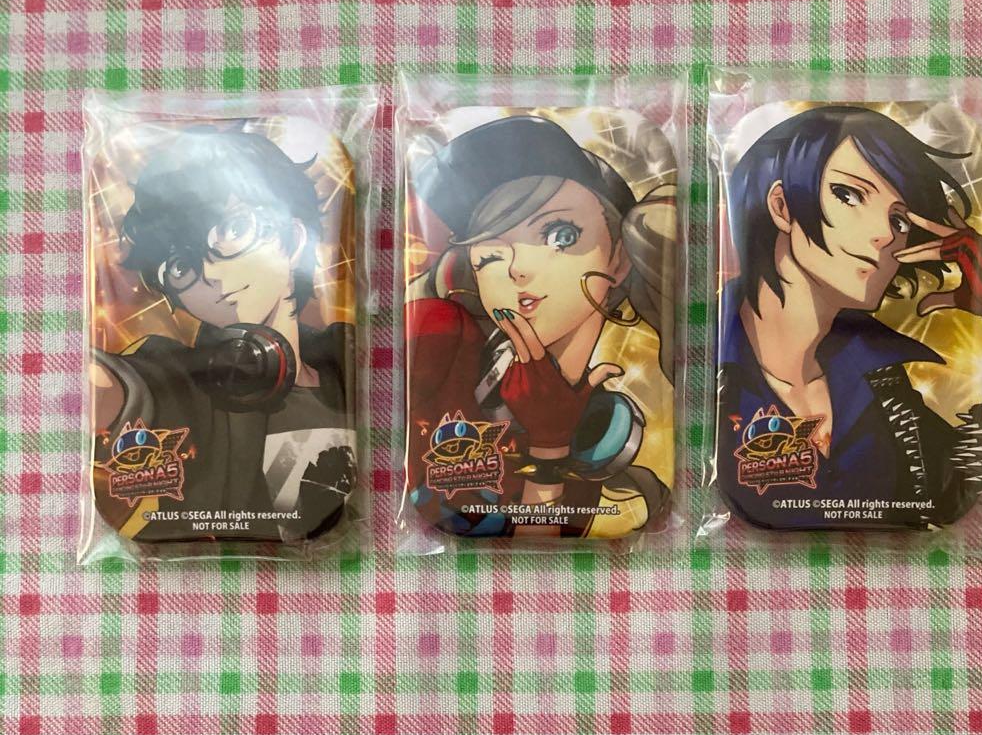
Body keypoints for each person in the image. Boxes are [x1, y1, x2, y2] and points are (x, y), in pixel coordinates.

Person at [717, 104, 982, 529]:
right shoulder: (715, 366)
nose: (885, 234)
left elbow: (954, 487)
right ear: (782, 206)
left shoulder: (885, 380)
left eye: (899, 219)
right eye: (849, 195)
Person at [404, 114, 676, 539]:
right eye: (490, 256)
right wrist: (548, 446)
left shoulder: (647, 387)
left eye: (560, 236)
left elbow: (544, 534)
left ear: (619, 258)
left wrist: (552, 444)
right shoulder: (449, 363)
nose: (518, 269)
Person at [91, 125, 356, 543]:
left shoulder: (343, 358)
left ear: (293, 239)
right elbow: (121, 382)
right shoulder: (183, 374)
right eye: (181, 266)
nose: (211, 275)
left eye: (233, 230)